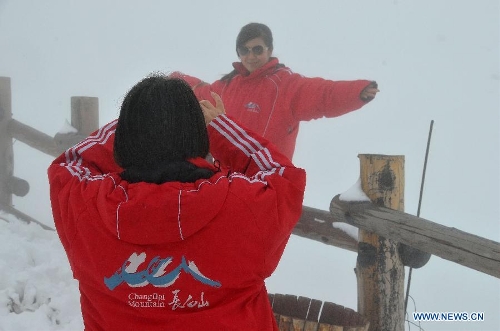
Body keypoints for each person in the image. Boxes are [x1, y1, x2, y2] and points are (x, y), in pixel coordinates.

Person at [48, 75, 306, 331]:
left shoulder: (86, 207)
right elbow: (283, 175)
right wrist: (217, 124)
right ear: (196, 132)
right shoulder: (244, 206)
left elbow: (70, 165)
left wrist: (141, 120)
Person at [171, 22, 380, 160]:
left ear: (269, 50)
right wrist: (174, 79)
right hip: (228, 180)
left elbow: (323, 94)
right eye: (245, 50)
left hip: (266, 183)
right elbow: (200, 93)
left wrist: (357, 91)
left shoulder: (286, 85)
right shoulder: (227, 86)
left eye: (257, 49)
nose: (251, 56)